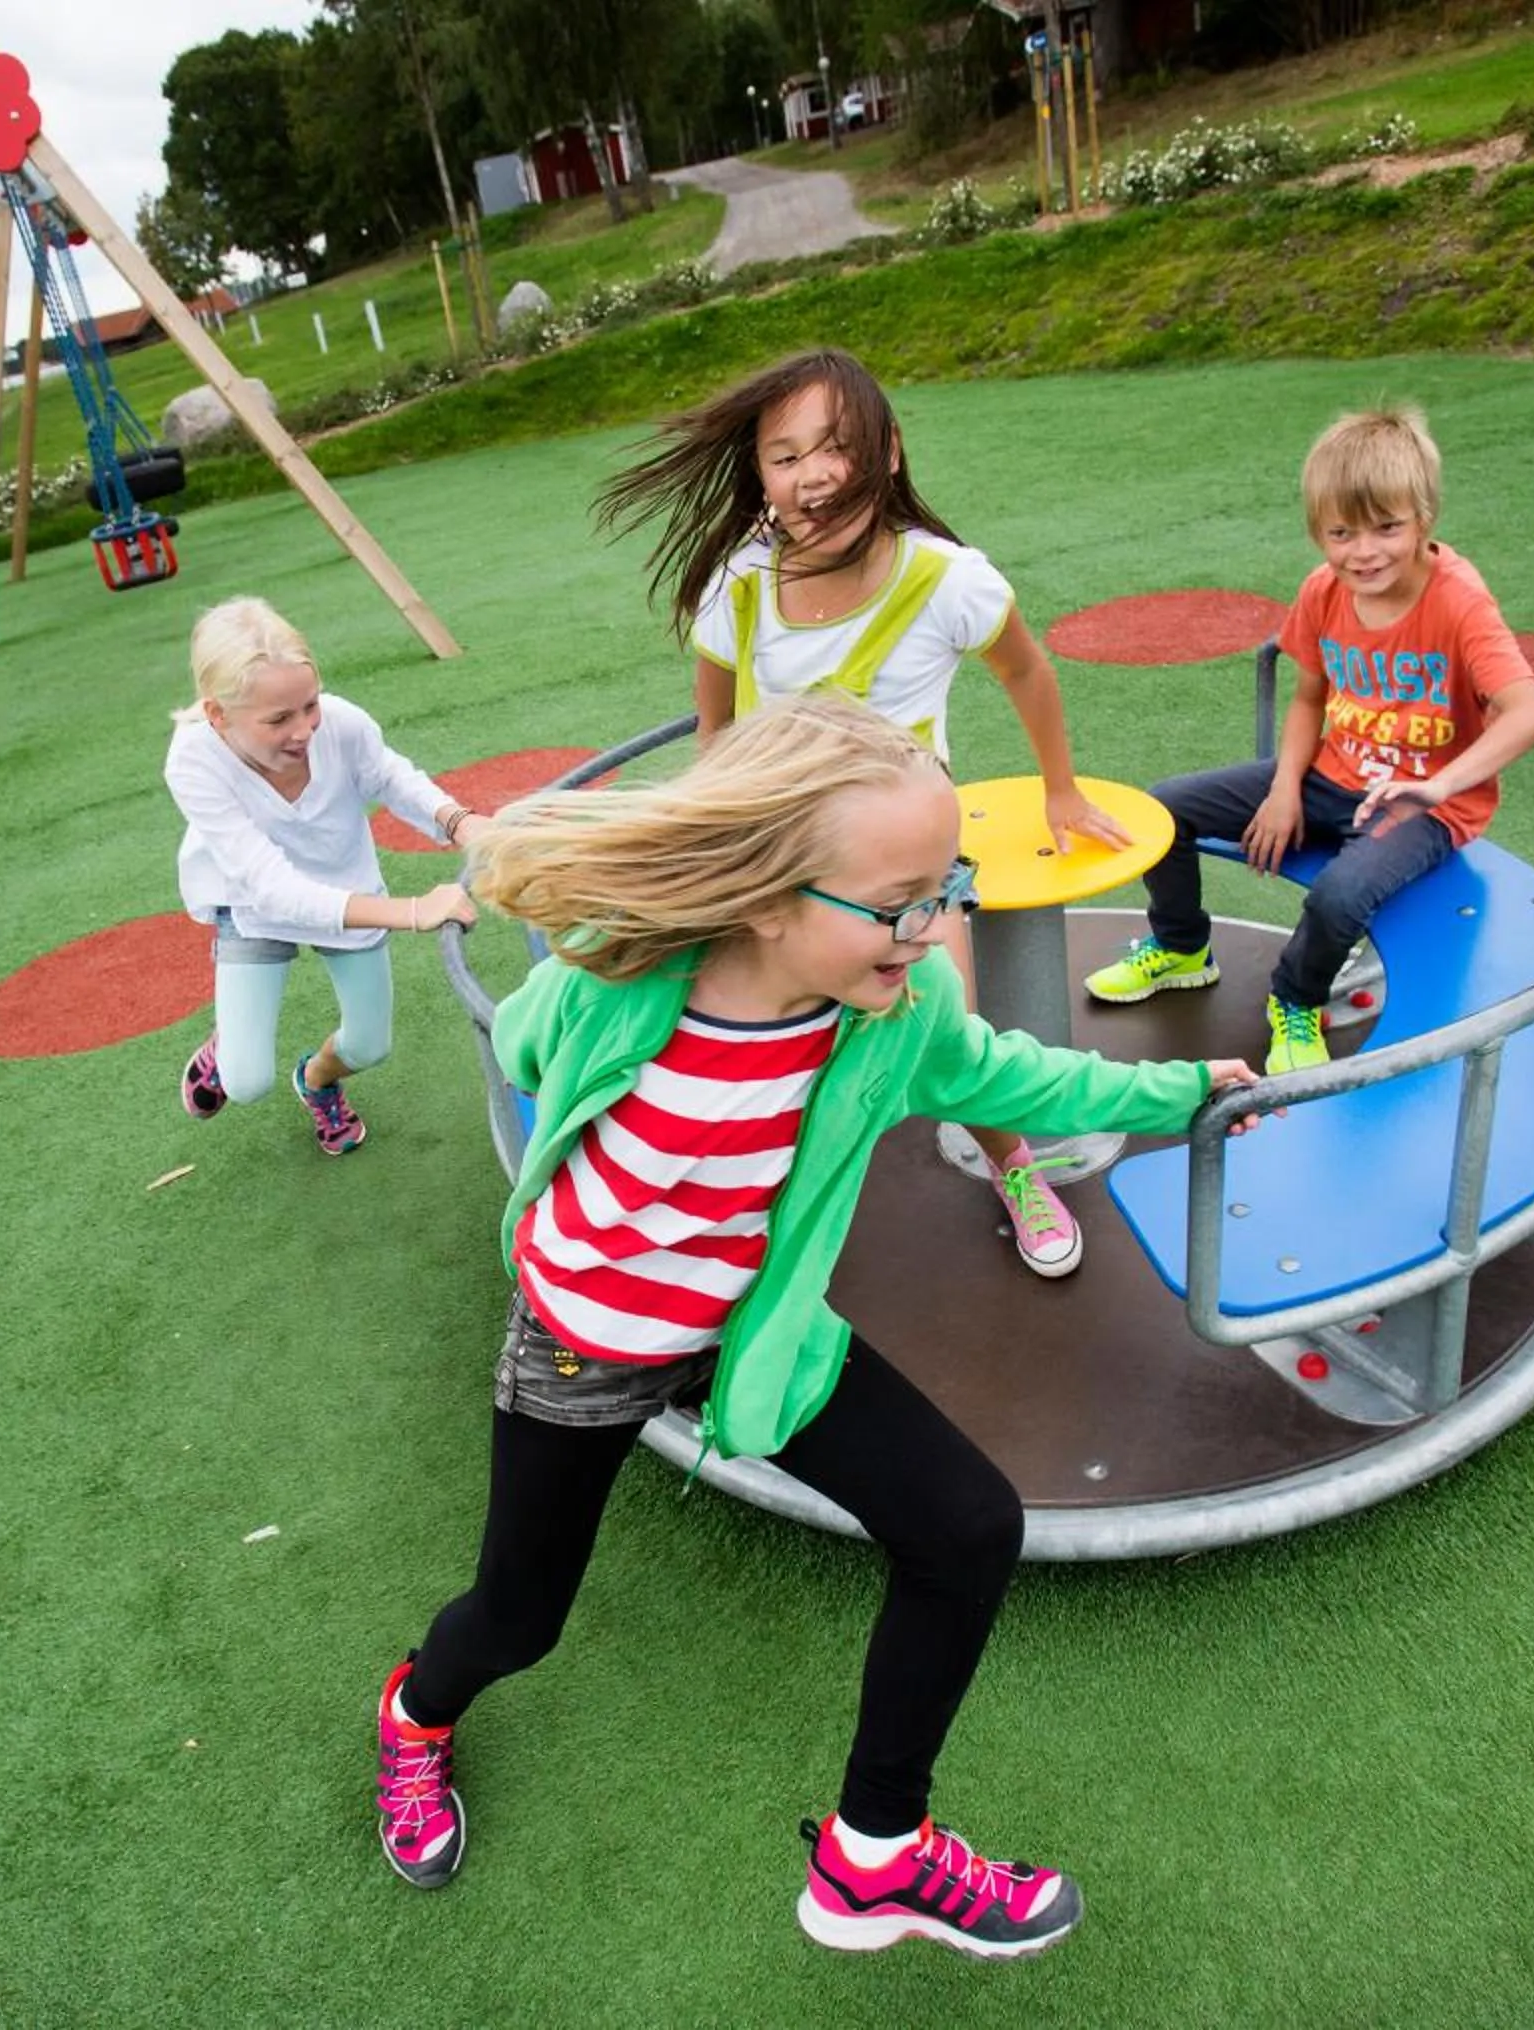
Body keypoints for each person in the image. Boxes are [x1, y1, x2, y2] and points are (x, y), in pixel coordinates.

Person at [369, 696, 1265, 1958]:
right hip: (587, 1336)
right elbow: (526, 1042)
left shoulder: (894, 1021)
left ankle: (874, 1855)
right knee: (518, 1618)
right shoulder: (617, 978)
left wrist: (1185, 1089)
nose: (931, 927)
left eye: (941, 888)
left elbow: (1031, 1075)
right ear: (766, 893)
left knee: (967, 1525)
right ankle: (415, 1710)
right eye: (901, 901)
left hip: (751, 1330)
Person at [595, 346, 1129, 1279]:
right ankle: (707, 1206)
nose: (815, 473)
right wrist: (718, 850)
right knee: (698, 1012)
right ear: (760, 475)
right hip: (782, 865)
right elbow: (716, 729)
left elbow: (1027, 670)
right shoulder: (742, 583)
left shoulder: (944, 580)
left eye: (837, 445)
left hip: (905, 875)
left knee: (948, 1031)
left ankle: (1012, 1166)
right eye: (786, 454)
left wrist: (1061, 788)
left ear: (887, 452)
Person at [1084, 405, 1534, 1070]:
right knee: (1161, 809)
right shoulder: (1325, 589)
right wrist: (1282, 790)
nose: (1364, 552)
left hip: (1423, 803)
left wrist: (1439, 785)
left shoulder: (1459, 601)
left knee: (1339, 894)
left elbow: (1527, 711)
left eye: (1386, 528)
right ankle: (1184, 946)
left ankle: (1295, 998)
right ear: (1318, 533)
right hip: (1332, 776)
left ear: (1424, 518)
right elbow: (1310, 695)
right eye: (1341, 533)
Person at [163, 595, 486, 1153]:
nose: (304, 729)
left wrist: (459, 822)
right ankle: (229, 1049)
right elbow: (274, 889)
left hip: (345, 881)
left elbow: (390, 778)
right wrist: (412, 911)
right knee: (245, 1081)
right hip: (254, 906)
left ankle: (317, 1079)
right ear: (218, 715)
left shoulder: (340, 724)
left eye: (309, 704)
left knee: (369, 1046)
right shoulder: (193, 761)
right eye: (279, 719)